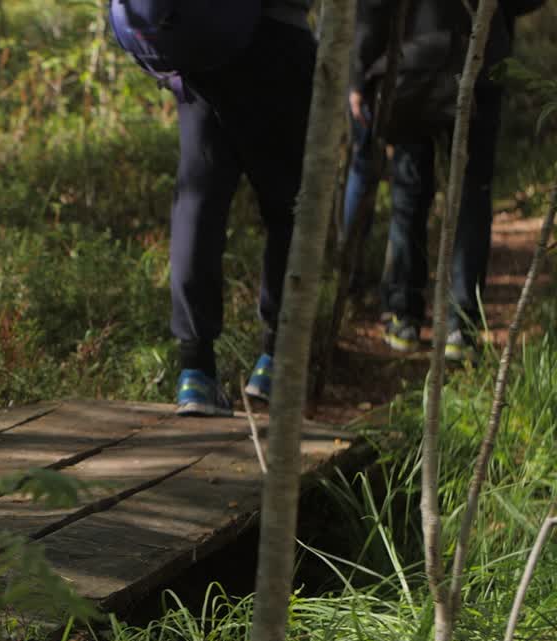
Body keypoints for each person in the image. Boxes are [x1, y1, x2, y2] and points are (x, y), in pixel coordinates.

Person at [344, 0, 546, 362]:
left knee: (413, 191)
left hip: (416, 61)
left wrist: (360, 71)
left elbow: (375, 7)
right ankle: (461, 327)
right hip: (476, 60)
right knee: (469, 195)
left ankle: (405, 316)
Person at [162, 1, 317, 416]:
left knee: (198, 204)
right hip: (279, 41)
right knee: (289, 207)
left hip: (201, 45)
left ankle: (195, 374)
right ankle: (275, 360)